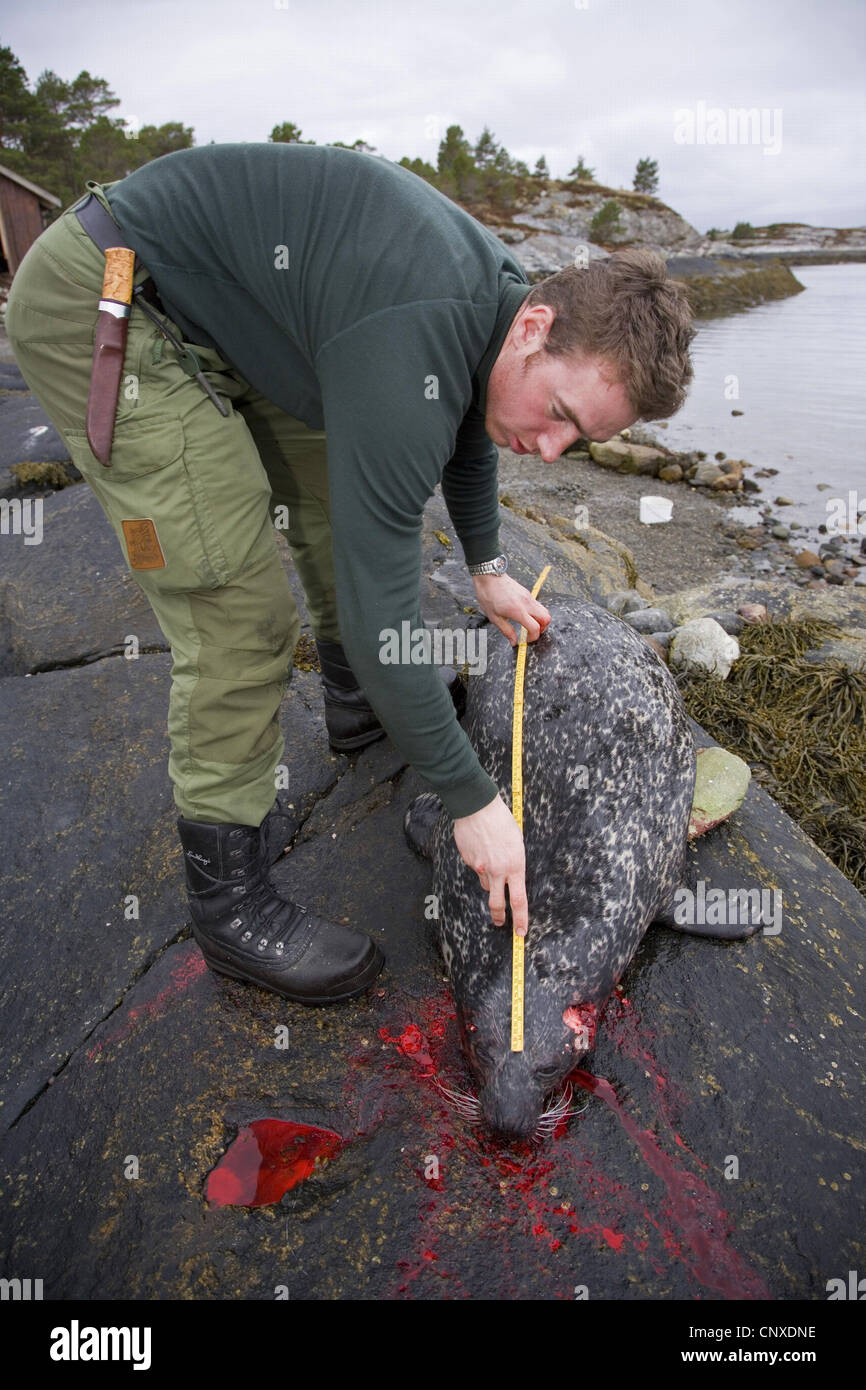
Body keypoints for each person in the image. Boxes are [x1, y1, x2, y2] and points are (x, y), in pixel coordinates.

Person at [5, 142, 695, 1006]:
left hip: (223, 310)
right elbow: (384, 614)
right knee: (237, 609)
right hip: (107, 302)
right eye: (558, 415)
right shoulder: (416, 331)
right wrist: (471, 799)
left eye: (578, 438)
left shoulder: (502, 306)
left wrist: (484, 566)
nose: (553, 450)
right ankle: (229, 910)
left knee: (339, 502)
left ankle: (360, 708)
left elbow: (471, 427)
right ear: (535, 328)